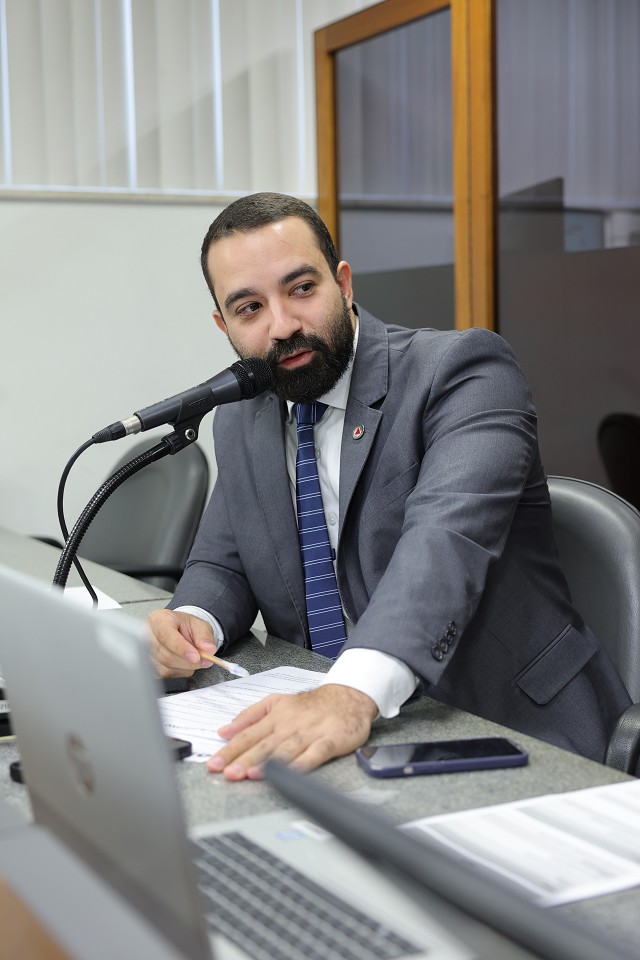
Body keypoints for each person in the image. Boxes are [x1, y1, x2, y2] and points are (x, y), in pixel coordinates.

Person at [147, 192, 631, 781]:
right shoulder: (243, 417)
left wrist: (351, 693)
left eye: (302, 289)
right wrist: (193, 619)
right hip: (337, 730)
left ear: (343, 283)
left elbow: (444, 545)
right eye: (250, 308)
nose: (283, 325)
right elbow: (225, 560)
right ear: (224, 325)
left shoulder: (463, 371)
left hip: (514, 731)